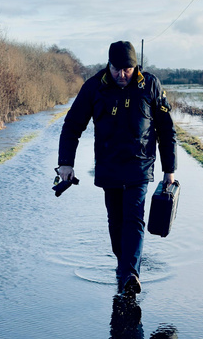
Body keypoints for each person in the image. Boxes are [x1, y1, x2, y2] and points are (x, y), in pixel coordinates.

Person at [56, 40, 177, 297]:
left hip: (140, 166)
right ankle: (124, 268)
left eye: (127, 69)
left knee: (134, 219)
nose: (122, 75)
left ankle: (131, 274)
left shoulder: (150, 85)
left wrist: (170, 170)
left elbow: (166, 129)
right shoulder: (94, 87)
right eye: (116, 69)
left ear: (136, 66)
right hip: (109, 166)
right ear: (108, 65)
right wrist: (66, 163)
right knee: (116, 223)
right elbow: (72, 125)